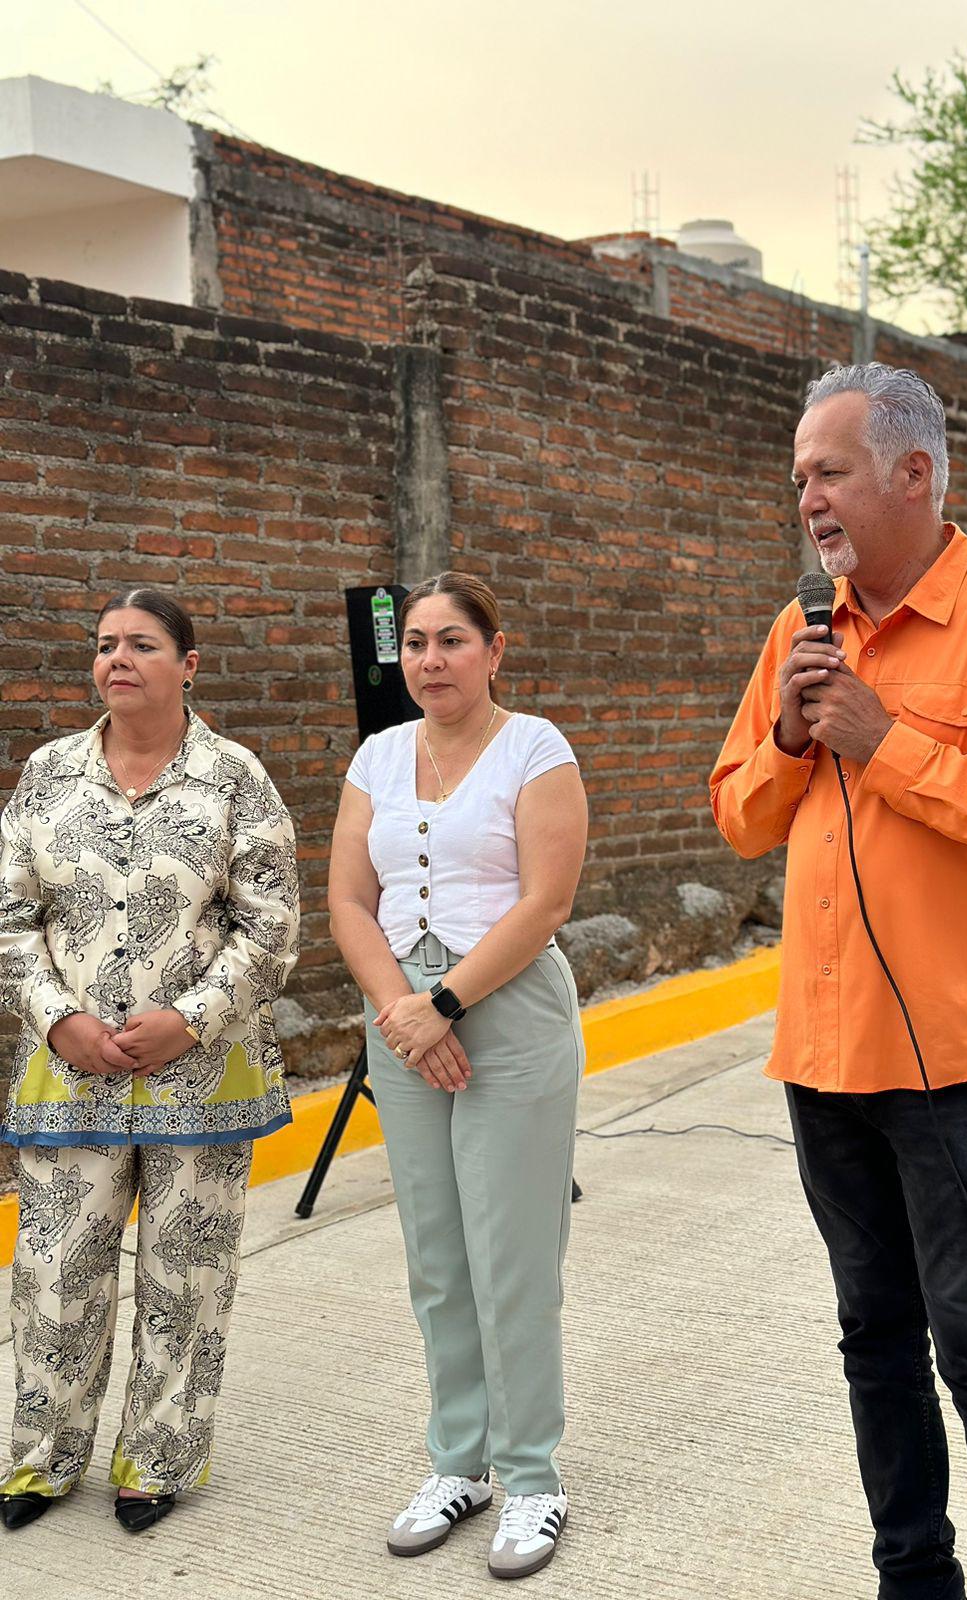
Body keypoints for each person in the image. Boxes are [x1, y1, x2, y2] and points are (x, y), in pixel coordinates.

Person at [711, 363, 967, 1600]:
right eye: (799, 479)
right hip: (822, 1061)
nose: (808, 500)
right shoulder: (803, 630)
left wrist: (891, 745)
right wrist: (791, 735)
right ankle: (914, 1577)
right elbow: (737, 816)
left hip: (955, 1065)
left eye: (829, 471)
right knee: (872, 1344)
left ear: (915, 472)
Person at [0, 587, 299, 1534]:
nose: (116, 660)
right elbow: (10, 919)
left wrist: (193, 1019)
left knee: (186, 1275)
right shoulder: (47, 778)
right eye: (103, 646)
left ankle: (158, 1460)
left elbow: (272, 924)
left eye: (140, 645)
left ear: (189, 665)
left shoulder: (236, 780)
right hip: (69, 1073)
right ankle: (41, 1460)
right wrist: (57, 1020)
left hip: (201, 1079)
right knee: (54, 1270)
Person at [328, 570, 587, 1581]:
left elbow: (547, 898)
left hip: (509, 1008)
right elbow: (350, 896)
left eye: (451, 641)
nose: (429, 659)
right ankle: (460, 1460)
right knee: (438, 1254)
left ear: (494, 649)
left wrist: (444, 1004)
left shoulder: (536, 748)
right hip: (400, 1015)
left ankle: (532, 1475)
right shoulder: (379, 755)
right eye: (417, 644)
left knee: (510, 1252)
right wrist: (402, 1007)